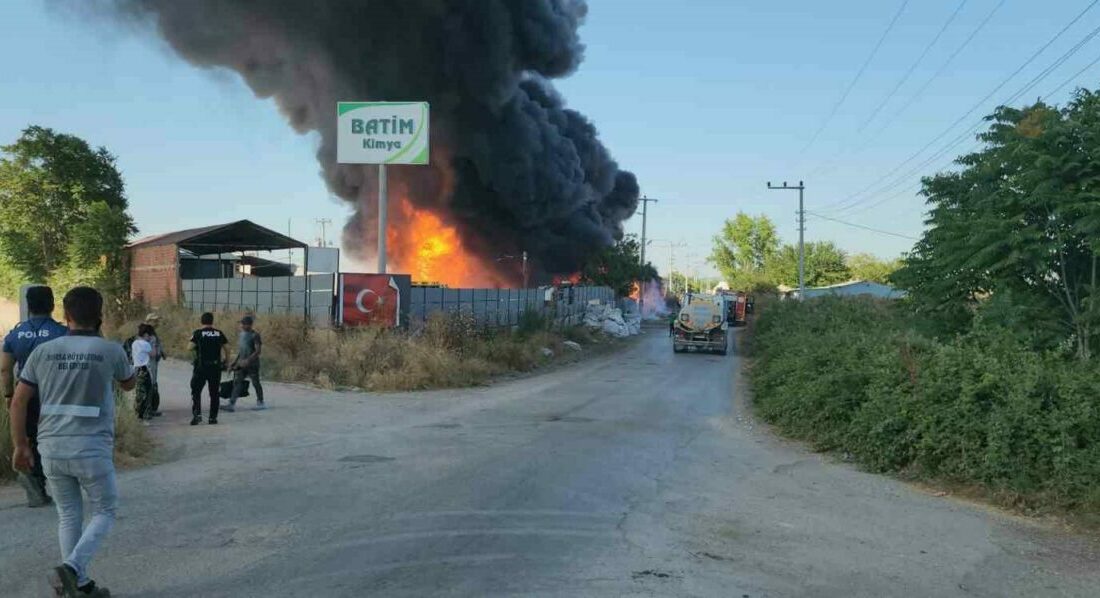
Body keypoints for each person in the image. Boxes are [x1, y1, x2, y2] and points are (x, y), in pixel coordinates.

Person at [9, 286, 134, 597]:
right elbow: (129, 384)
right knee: (105, 509)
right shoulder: (110, 350)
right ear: (100, 315)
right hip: (91, 447)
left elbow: (18, 402)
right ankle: (73, 569)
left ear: (65, 315)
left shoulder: (43, 351)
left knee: (68, 514)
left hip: (50, 447)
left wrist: (21, 444)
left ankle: (76, 586)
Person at [2, 285, 68, 508]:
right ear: (52, 304)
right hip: (55, 395)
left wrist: (9, 395)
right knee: (56, 438)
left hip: (25, 395)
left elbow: (4, 368)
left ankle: (33, 479)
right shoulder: (62, 332)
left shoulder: (15, 334)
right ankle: (61, 482)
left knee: (30, 438)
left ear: (28, 306)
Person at [188, 312, 228, 426]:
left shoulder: (198, 333)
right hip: (215, 367)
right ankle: (212, 418)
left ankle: (197, 415)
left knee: (196, 391)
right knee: (214, 393)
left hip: (201, 366)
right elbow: (227, 348)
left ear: (202, 321)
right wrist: (227, 361)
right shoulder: (218, 333)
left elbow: (189, 348)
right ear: (212, 321)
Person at [226, 315, 265, 412]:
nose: (242, 325)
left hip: (252, 365)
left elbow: (258, 351)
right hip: (241, 364)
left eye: (244, 324)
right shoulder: (241, 335)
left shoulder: (255, 335)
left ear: (250, 325)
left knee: (256, 383)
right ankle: (231, 404)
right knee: (237, 383)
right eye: (242, 324)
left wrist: (248, 360)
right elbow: (241, 351)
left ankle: (260, 402)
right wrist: (234, 363)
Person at [130, 324, 158, 423]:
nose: (149, 337)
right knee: (148, 391)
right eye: (149, 336)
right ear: (146, 334)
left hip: (136, 368)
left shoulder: (135, 343)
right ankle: (143, 415)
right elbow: (153, 354)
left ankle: (138, 414)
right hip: (144, 369)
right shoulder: (145, 344)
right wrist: (153, 344)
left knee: (139, 392)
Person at [144, 314, 166, 417]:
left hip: (153, 361)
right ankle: (148, 409)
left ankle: (151, 407)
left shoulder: (152, 332)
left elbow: (157, 344)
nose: (158, 323)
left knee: (152, 384)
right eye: (155, 321)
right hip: (149, 362)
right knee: (149, 384)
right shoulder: (146, 333)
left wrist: (161, 352)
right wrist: (155, 353)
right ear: (149, 321)